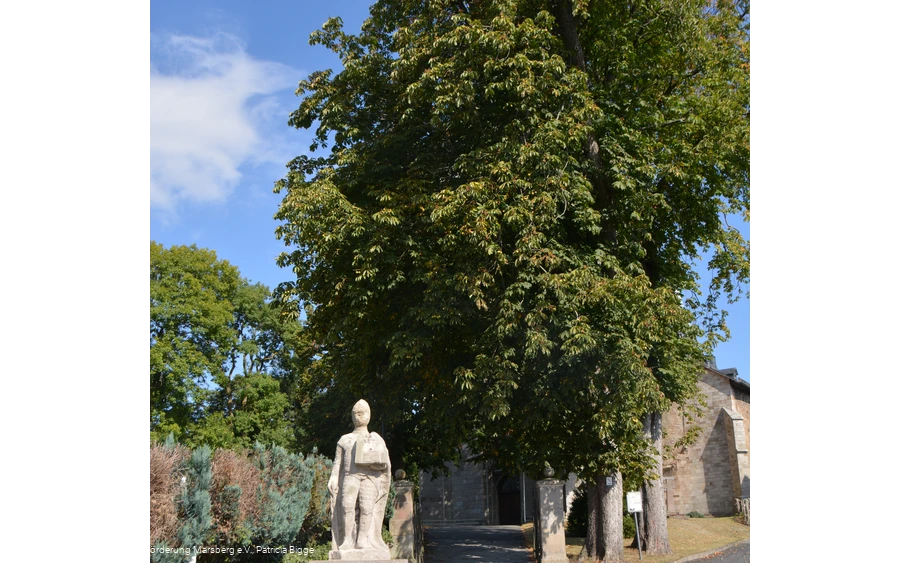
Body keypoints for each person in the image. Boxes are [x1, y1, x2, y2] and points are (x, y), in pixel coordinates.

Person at [328, 399, 392, 554]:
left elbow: (384, 462)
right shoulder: (345, 439)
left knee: (367, 507)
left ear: (369, 415)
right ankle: (347, 540)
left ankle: (363, 539)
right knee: (346, 505)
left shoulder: (376, 439)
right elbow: (338, 462)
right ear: (352, 416)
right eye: (356, 413)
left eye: (362, 413)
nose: (359, 416)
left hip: (370, 477)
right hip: (350, 476)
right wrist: (334, 477)